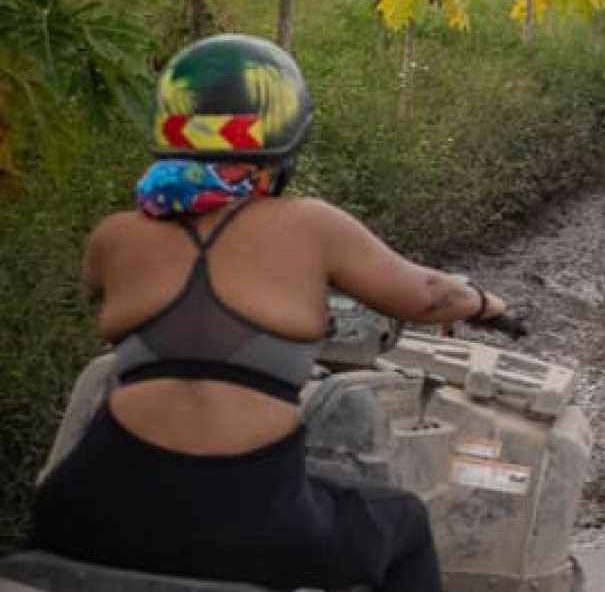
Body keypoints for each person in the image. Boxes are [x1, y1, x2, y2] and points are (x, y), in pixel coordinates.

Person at [31, 33, 504, 592]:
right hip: (251, 527)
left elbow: (103, 294)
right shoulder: (310, 226)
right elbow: (428, 295)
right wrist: (483, 304)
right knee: (402, 521)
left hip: (88, 510)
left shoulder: (113, 238)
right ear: (284, 144)